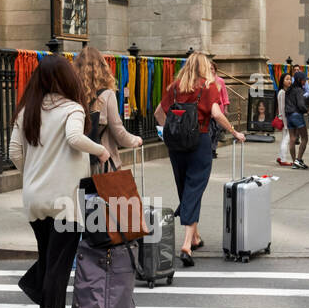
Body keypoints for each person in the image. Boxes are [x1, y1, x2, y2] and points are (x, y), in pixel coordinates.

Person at [8, 55, 109, 308]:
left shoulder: (26, 110)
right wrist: (100, 150)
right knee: (58, 261)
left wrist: (31, 175)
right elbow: (75, 138)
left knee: (48, 254)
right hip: (65, 199)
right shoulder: (73, 109)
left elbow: (15, 152)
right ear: (67, 79)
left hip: (34, 197)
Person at [154, 52, 246, 266]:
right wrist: (234, 132)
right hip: (199, 142)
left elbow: (159, 112)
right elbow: (216, 113)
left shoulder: (175, 87)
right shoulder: (207, 86)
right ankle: (186, 245)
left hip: (176, 146)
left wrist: (167, 133)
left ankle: (195, 237)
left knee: (185, 188)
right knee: (194, 189)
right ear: (204, 67)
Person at [73, 46, 143, 170]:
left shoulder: (73, 94)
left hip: (77, 163)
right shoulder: (107, 95)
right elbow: (119, 132)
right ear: (102, 68)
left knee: (84, 190)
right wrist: (135, 140)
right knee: (105, 190)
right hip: (102, 163)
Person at [284, 70, 309, 169]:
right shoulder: (299, 90)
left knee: (292, 138)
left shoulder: (289, 90)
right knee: (304, 138)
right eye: (304, 80)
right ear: (300, 80)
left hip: (289, 115)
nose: (305, 82)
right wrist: (307, 110)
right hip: (297, 115)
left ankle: (294, 161)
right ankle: (298, 160)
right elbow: (300, 104)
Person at [275, 74, 294, 167]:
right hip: (285, 119)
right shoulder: (282, 92)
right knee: (287, 139)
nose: (289, 81)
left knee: (284, 138)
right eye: (287, 79)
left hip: (284, 118)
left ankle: (280, 157)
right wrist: (285, 121)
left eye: (290, 79)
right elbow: (282, 108)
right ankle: (283, 159)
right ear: (282, 81)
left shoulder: (284, 92)